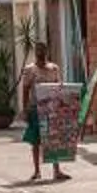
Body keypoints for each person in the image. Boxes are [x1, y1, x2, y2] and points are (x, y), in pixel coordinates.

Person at [18, 45, 70, 184]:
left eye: (43, 51)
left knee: (54, 139)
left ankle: (57, 170)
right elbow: (25, 90)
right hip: (36, 108)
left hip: (52, 108)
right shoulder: (30, 70)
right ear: (36, 53)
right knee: (36, 140)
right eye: (39, 51)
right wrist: (25, 109)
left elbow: (59, 87)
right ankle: (37, 171)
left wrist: (62, 105)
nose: (41, 54)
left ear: (47, 52)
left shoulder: (54, 69)